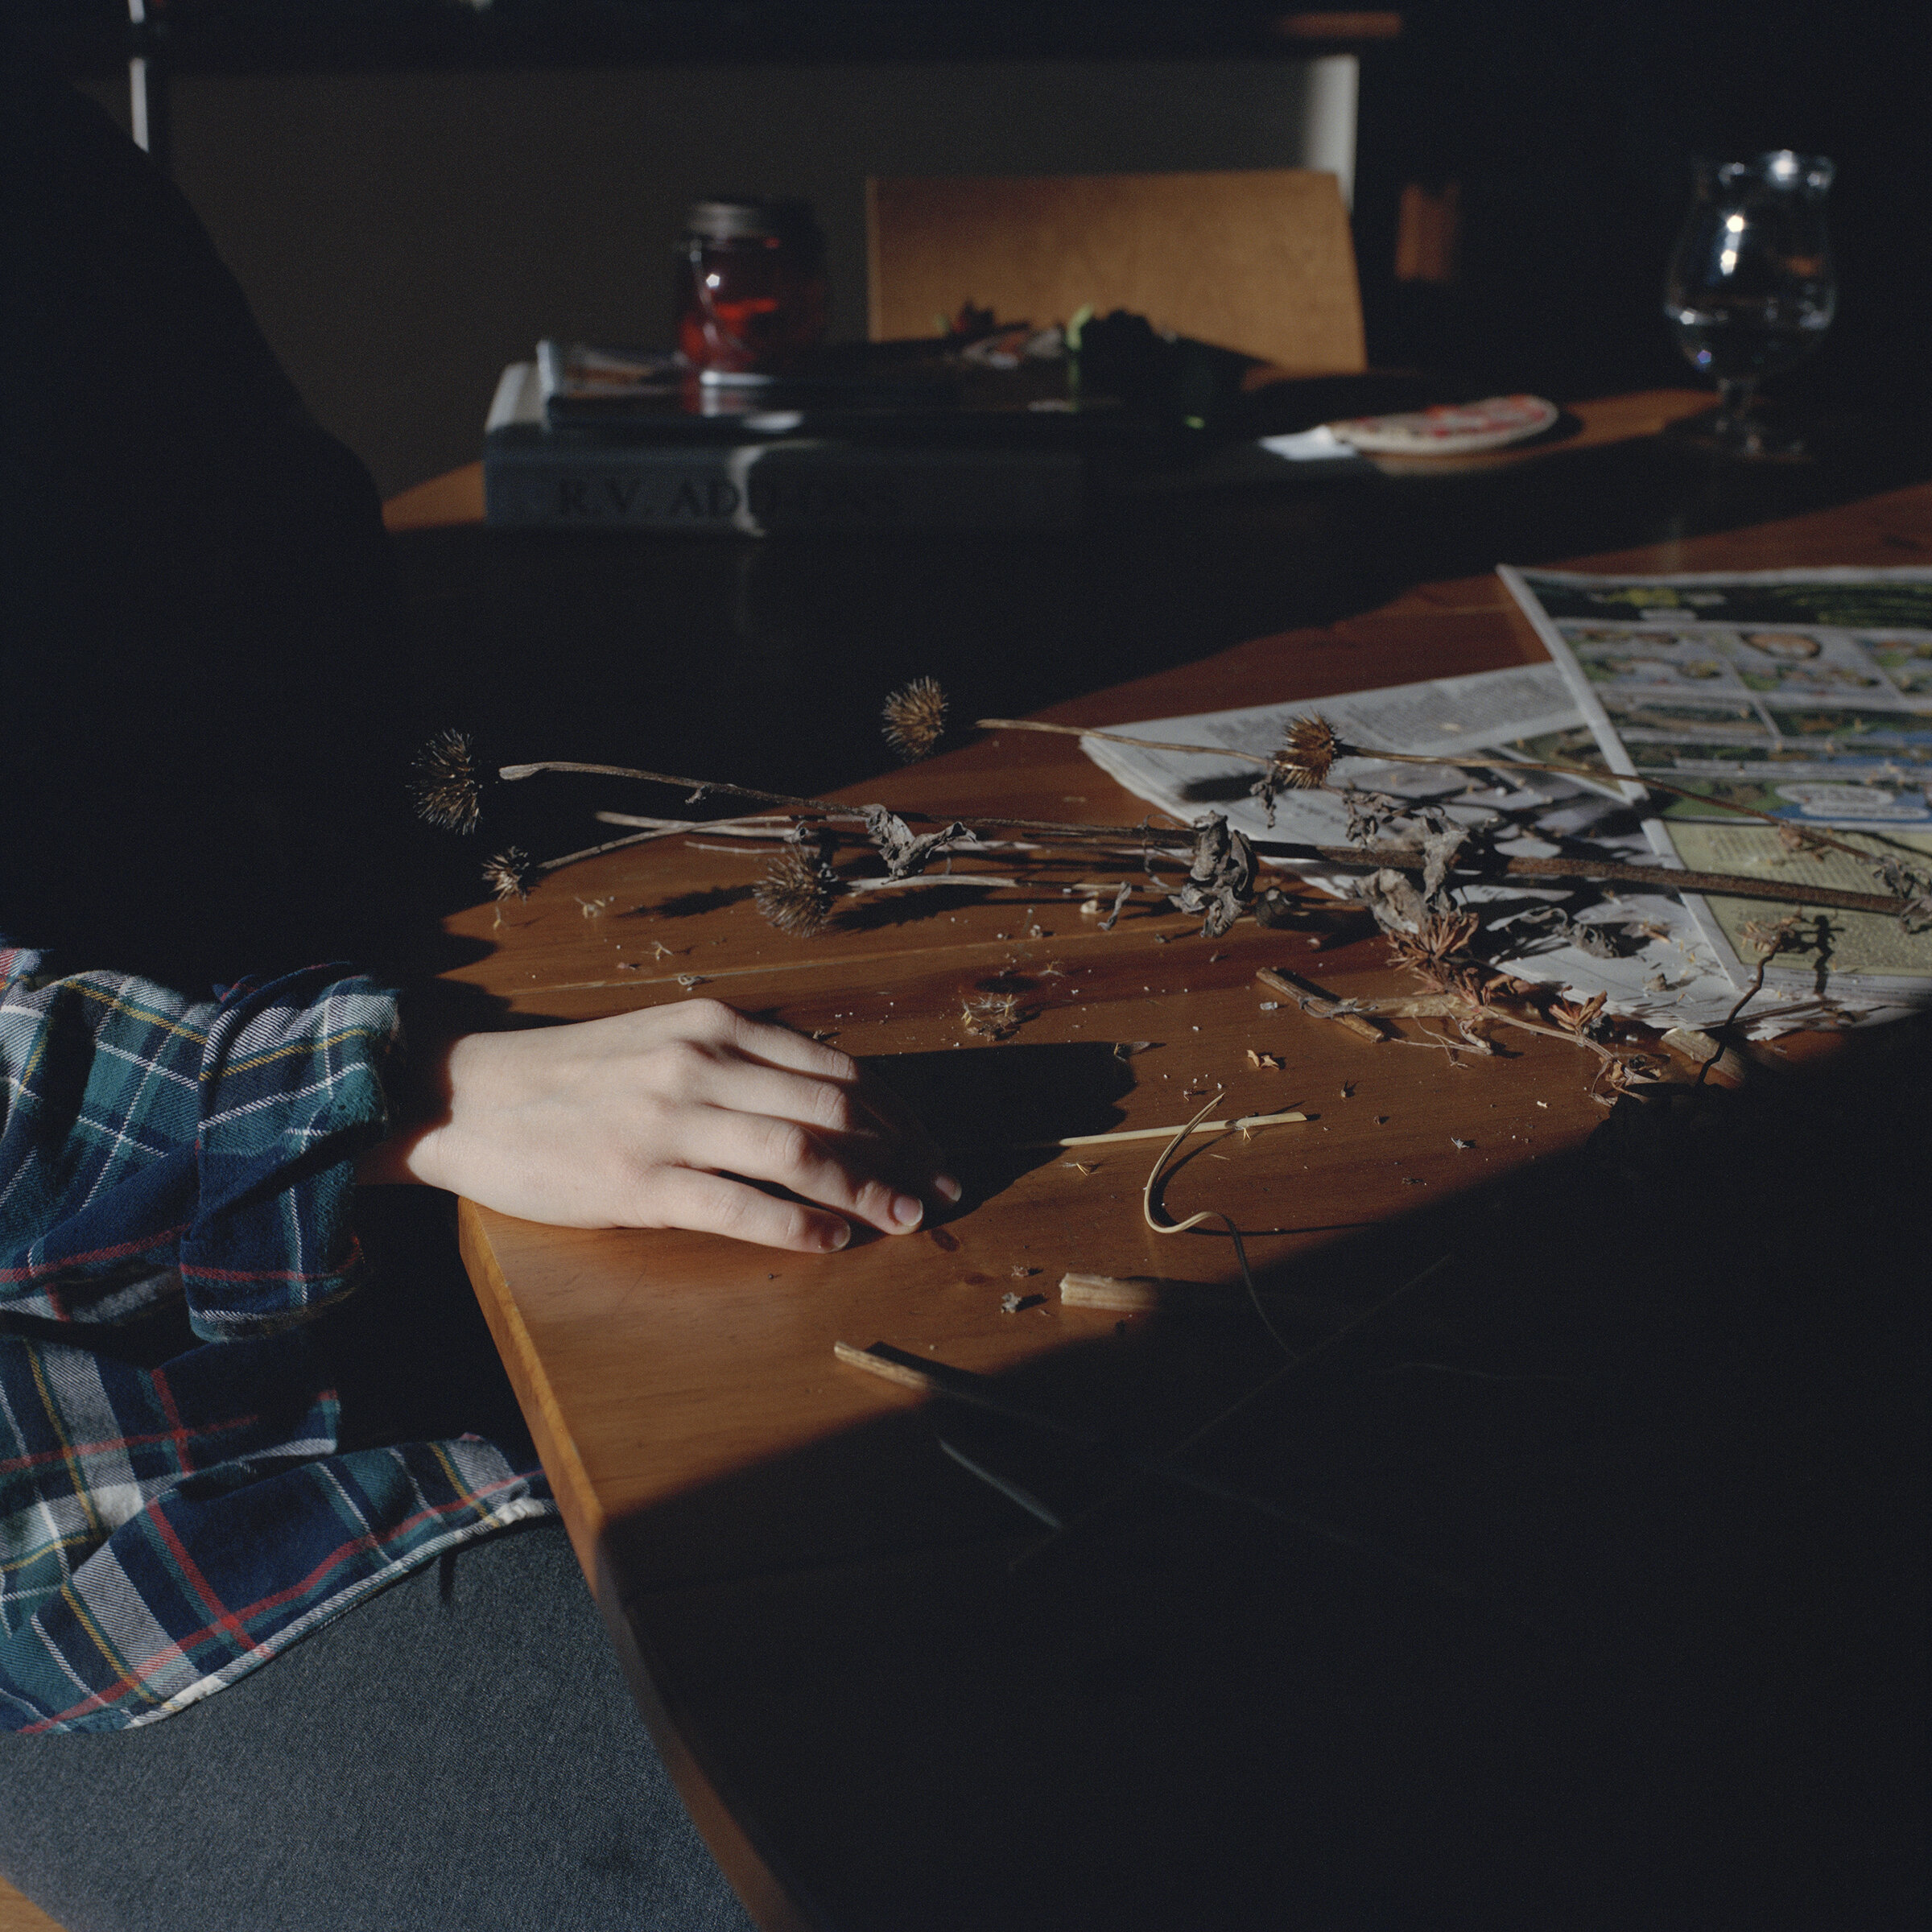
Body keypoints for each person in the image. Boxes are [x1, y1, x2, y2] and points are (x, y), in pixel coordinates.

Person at [0, 43, 952, 1930]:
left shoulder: (45, 153)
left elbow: (285, 581)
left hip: (430, 1273)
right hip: (127, 1526)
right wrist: (410, 1092)